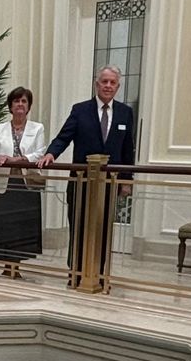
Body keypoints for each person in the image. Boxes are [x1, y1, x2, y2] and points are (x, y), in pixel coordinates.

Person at [39, 66, 137, 279]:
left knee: (103, 228)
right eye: (104, 82)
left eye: (112, 83)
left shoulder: (125, 113)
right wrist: (51, 154)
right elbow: (63, 137)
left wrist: (127, 181)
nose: (108, 86)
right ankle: (75, 272)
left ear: (118, 87)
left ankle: (98, 273)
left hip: (109, 184)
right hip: (81, 182)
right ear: (97, 84)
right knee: (78, 227)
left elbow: (128, 149)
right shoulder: (80, 110)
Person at [0, 87, 46, 277]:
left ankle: (16, 266)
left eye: (24, 101)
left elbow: (39, 153)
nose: (20, 105)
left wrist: (18, 159)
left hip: (26, 184)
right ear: (10, 106)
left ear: (28, 106)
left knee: (22, 226)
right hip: (5, 184)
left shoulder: (37, 128)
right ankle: (6, 267)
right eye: (16, 101)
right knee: (6, 226)